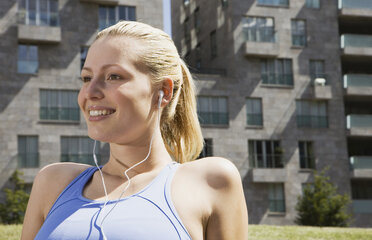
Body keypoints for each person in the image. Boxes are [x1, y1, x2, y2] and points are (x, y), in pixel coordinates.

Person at [21, 20, 248, 240]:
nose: (90, 92)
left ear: (164, 91)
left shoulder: (211, 182)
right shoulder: (52, 181)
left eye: (113, 76)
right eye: (87, 78)